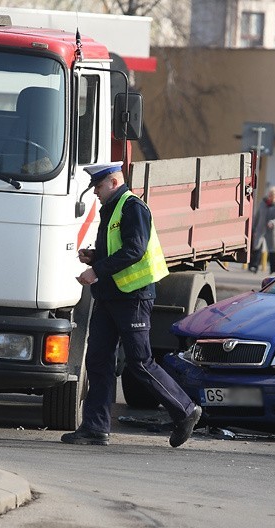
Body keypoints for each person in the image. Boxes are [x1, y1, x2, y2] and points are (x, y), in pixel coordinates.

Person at [61, 162, 202, 447]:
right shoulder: (113, 208)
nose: (96, 194)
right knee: (98, 361)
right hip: (111, 296)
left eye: (99, 187)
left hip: (133, 297)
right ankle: (95, 427)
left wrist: (97, 270)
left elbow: (134, 250)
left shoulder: (132, 207)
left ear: (113, 182)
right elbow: (118, 247)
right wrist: (94, 255)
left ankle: (186, 411)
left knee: (140, 362)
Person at [248, 186, 275, 274]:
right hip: (260, 228)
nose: (271, 198)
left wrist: (273, 222)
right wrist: (253, 228)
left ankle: (274, 269)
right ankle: (254, 266)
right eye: (270, 195)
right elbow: (257, 216)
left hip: (272, 231)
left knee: (273, 249)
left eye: (273, 196)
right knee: (257, 247)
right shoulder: (262, 203)